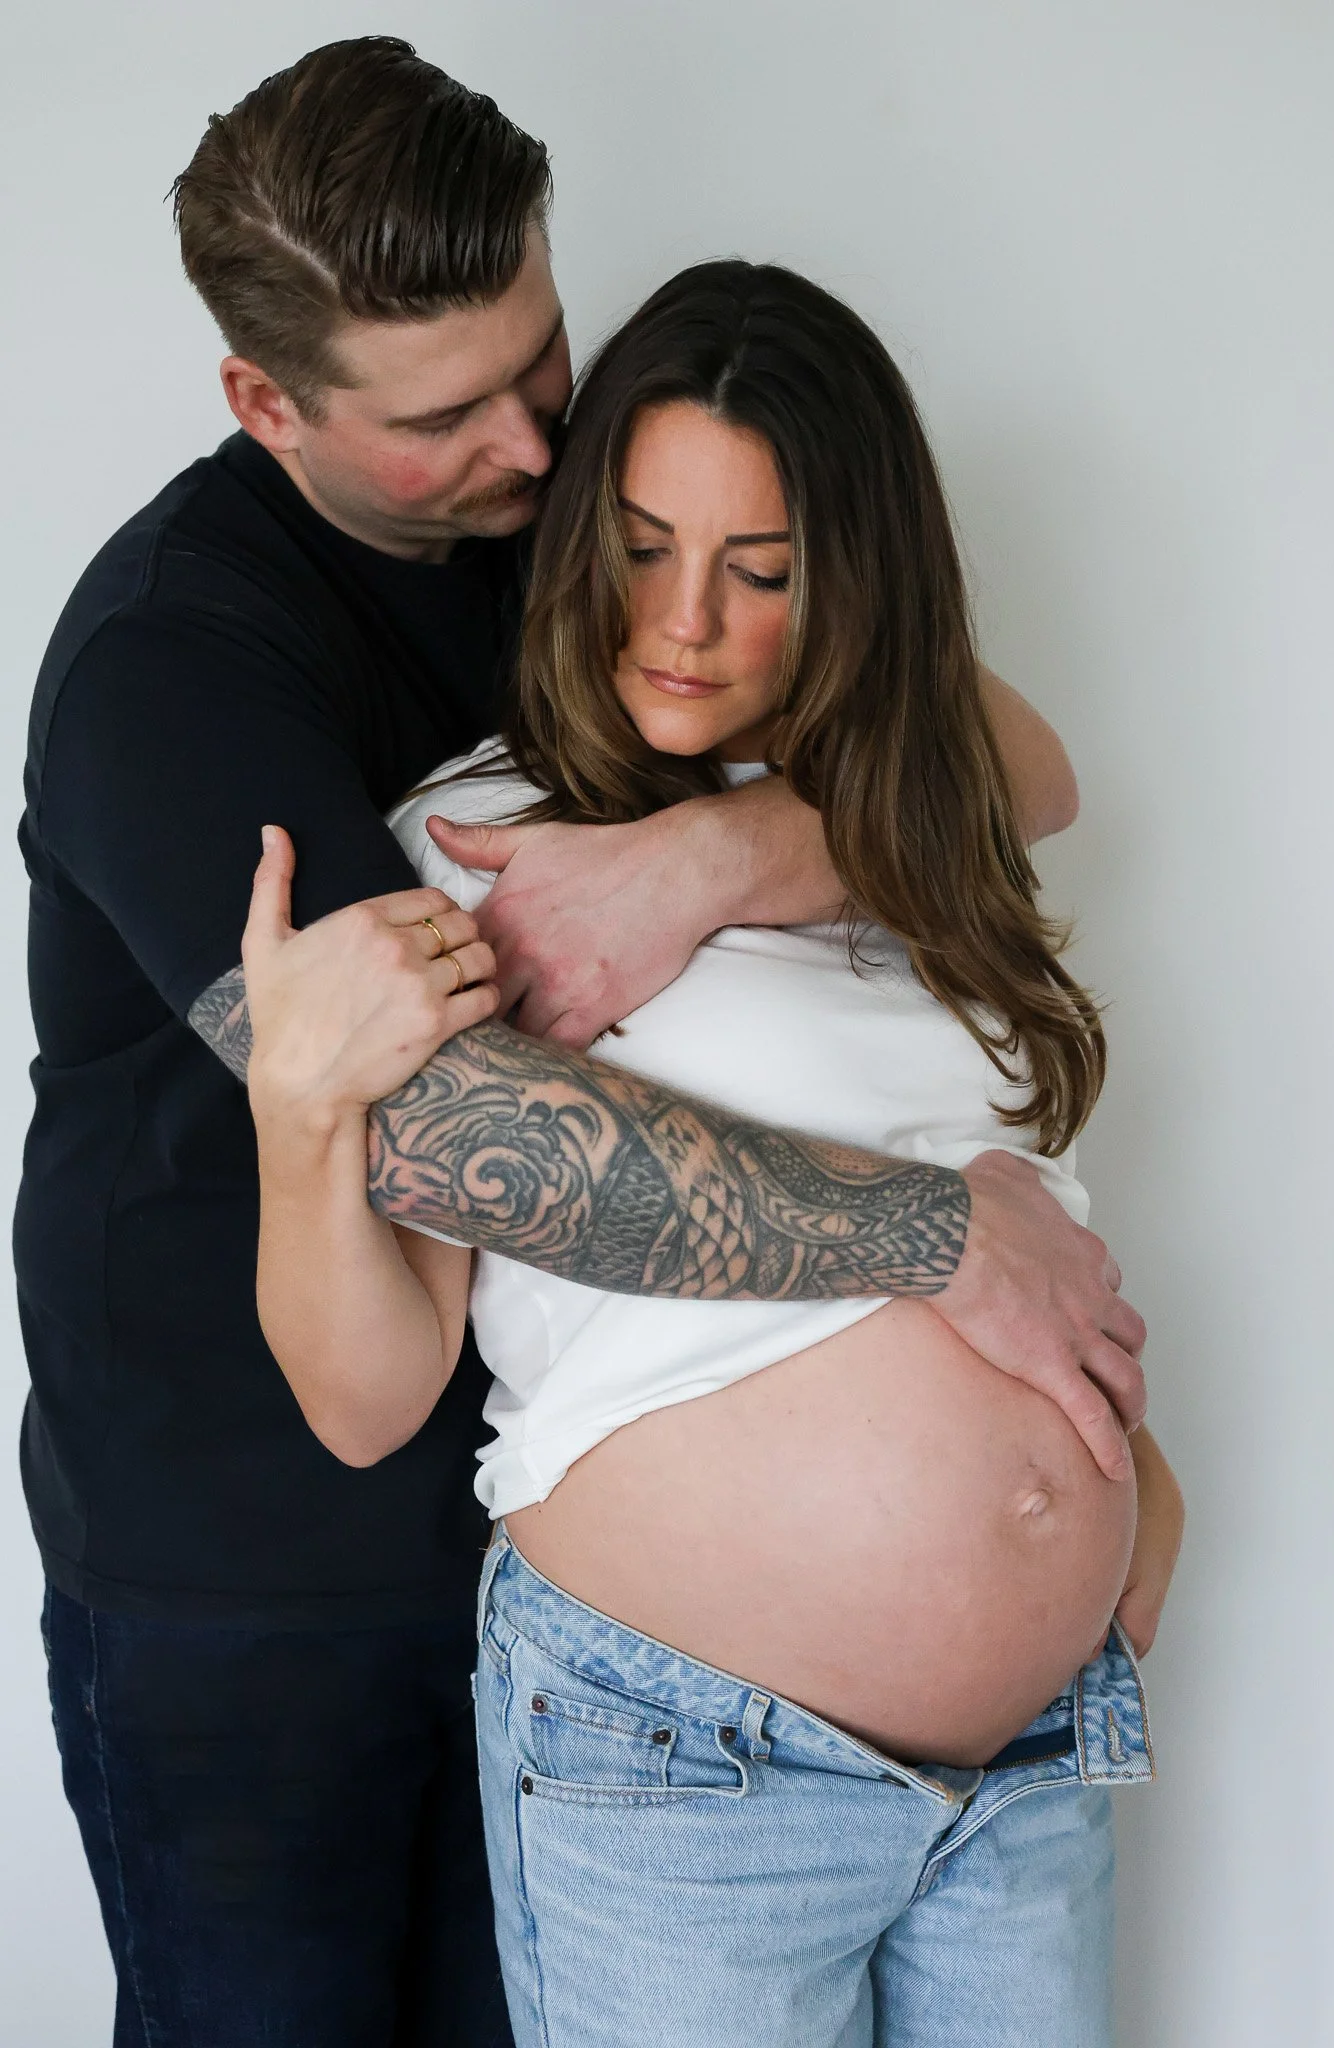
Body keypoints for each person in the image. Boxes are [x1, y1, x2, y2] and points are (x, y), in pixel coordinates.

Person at [17, 35, 1145, 2047]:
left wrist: (706, 856)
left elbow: (1000, 765)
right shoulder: (165, 667)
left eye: (542, 361)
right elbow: (448, 1124)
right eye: (450, 416)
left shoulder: (592, 517)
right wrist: (936, 1235)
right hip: (248, 1562)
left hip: (551, 1538)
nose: (534, 450)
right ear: (267, 402)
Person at [242, 260, 1184, 2047]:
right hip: (690, 1769)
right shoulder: (474, 847)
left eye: (762, 574)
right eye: (643, 548)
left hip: (1032, 1762)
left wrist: (1140, 1469)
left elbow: (1004, 1155)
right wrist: (301, 1114)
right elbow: (369, 1395)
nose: (685, 624)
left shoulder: (890, 835)